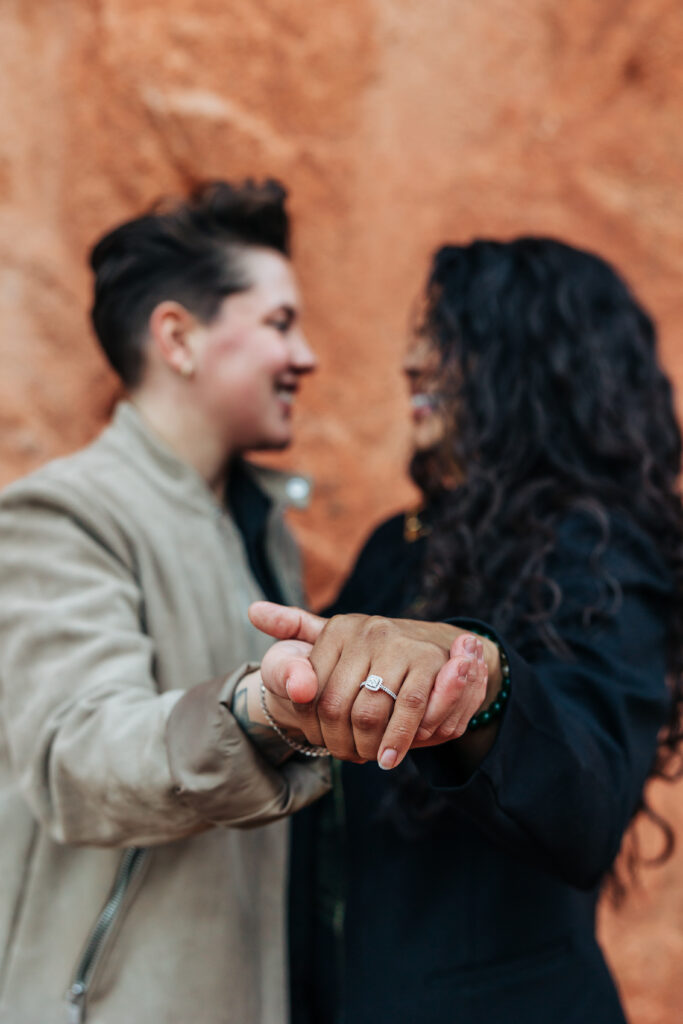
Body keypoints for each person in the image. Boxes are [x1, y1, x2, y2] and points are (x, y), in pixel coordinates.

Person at [0, 180, 489, 1024]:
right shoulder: (65, 513)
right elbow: (75, 756)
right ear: (177, 338)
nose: (304, 355)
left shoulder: (259, 529)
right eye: (277, 324)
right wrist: (255, 712)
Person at [251, 238, 683, 1024]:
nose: (414, 361)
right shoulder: (396, 543)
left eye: (449, 335)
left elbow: (586, 796)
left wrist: (481, 690)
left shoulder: (598, 544)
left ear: (534, 358)